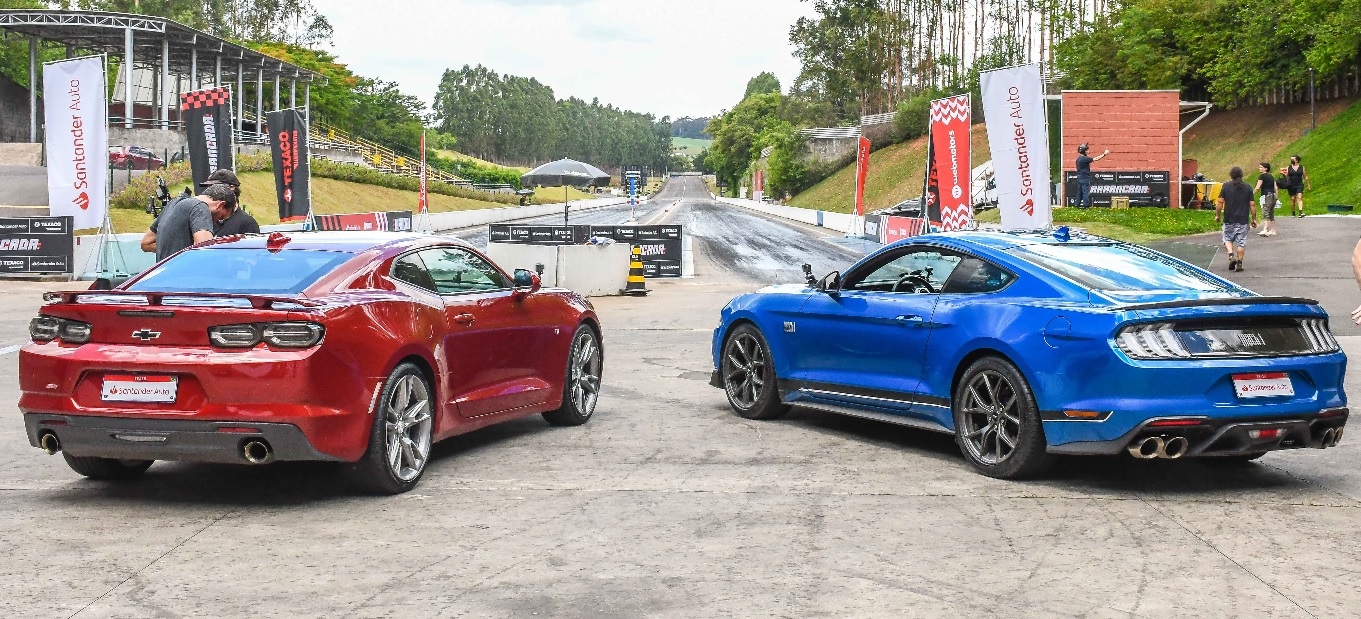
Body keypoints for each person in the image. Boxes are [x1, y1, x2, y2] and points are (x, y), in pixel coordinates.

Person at [140, 183, 236, 261]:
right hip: (183, 280)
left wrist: (175, 251)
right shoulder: (200, 208)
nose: (215, 223)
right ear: (220, 205)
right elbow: (205, 251)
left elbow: (146, 243)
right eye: (221, 217)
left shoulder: (173, 204)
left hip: (164, 277)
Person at [1215, 166, 1258, 272]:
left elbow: (1220, 202)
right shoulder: (1248, 187)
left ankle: (1230, 254)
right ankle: (1239, 263)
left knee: (1227, 238)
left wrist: (1218, 215)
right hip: (1243, 219)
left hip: (1229, 218)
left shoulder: (1226, 186)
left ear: (1231, 175)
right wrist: (1254, 219)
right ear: (1242, 175)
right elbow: (1252, 204)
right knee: (1241, 242)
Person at [202, 169, 260, 236]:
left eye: (215, 187)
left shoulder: (247, 223)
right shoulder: (204, 219)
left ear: (231, 187)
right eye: (209, 188)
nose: (210, 192)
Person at [1074, 143, 1110, 207]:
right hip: (1085, 177)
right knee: (1085, 192)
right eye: (1087, 150)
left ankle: (1077, 204)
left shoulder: (1078, 159)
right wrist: (1104, 154)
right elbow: (1095, 159)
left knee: (1079, 192)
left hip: (1079, 177)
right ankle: (1086, 206)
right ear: (1083, 151)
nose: (1088, 151)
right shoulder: (1084, 158)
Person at [1254, 162, 1278, 237]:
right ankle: (1273, 230)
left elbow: (1257, 187)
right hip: (1273, 195)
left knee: (1266, 211)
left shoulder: (1262, 176)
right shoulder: (1271, 176)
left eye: (1261, 167)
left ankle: (1265, 230)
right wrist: (1276, 195)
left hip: (1267, 195)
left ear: (1265, 168)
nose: (1259, 168)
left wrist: (1251, 194)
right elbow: (1275, 187)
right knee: (1271, 212)